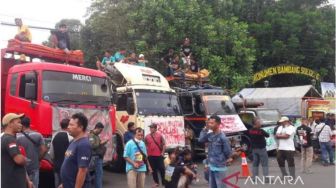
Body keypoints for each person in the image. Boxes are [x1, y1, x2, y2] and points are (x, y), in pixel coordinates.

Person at [198, 115, 232, 188]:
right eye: (209, 123)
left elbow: (228, 152)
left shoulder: (222, 137)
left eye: (212, 123)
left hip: (219, 166)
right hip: (211, 165)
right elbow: (200, 140)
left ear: (218, 124)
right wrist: (205, 129)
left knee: (221, 186)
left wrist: (223, 160)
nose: (210, 125)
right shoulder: (210, 135)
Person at [59, 113, 92, 188]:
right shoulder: (72, 142)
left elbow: (82, 170)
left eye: (71, 125)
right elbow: (70, 165)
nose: (68, 127)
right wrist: (64, 184)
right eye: (68, 125)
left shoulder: (84, 144)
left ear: (80, 127)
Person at [1, 113, 33, 188]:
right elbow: (19, 160)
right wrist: (25, 159)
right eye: (18, 122)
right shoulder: (9, 139)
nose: (21, 125)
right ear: (10, 124)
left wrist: (27, 180)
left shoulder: (6, 138)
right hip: (13, 183)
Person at [16, 116, 48, 188]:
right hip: (34, 166)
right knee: (34, 186)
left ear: (22, 125)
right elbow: (44, 149)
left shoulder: (16, 137)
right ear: (29, 124)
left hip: (21, 167)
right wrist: (38, 159)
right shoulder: (38, 135)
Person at [49, 118, 73, 188]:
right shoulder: (71, 137)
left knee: (57, 185)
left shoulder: (54, 136)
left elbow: (51, 153)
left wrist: (54, 160)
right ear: (68, 126)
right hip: (67, 167)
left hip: (56, 166)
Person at [89, 122, 108, 188]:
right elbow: (92, 145)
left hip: (98, 157)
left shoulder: (96, 136)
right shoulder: (91, 135)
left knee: (98, 174)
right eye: (100, 130)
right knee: (98, 174)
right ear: (97, 128)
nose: (100, 132)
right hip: (95, 157)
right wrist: (101, 143)